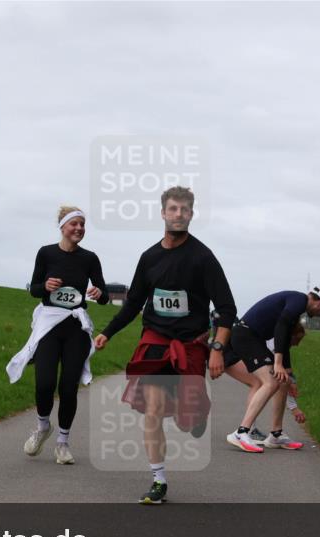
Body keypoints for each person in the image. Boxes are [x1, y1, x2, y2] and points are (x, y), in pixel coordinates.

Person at [94, 186, 236, 504]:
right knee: (154, 410)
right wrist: (108, 332)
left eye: (184, 210)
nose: (178, 214)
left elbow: (227, 309)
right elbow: (132, 303)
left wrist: (217, 349)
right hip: (156, 339)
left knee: (187, 416)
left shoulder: (203, 258)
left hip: (191, 343)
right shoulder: (150, 258)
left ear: (191, 214)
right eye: (173, 209)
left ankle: (195, 415)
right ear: (163, 213)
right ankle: (158, 480)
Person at [7, 207, 108, 465]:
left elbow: (104, 294)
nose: (79, 229)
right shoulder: (46, 253)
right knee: (44, 383)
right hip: (50, 324)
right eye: (74, 224)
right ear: (62, 227)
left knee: (68, 386)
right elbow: (34, 289)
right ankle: (43, 427)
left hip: (75, 327)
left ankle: (63, 443)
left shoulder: (90, 258)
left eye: (82, 225)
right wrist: (45, 286)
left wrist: (99, 293)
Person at [225, 287, 320, 453]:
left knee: (282, 381)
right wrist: (278, 363)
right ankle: (241, 432)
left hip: (254, 338)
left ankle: (275, 435)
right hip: (245, 335)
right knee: (271, 382)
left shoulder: (296, 305)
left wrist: (288, 373)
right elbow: (281, 327)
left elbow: (284, 340)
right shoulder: (299, 301)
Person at [223, 322, 308, 450]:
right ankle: (249, 431)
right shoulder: (274, 344)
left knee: (277, 379)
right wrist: (294, 408)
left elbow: (285, 380)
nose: (297, 344)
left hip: (238, 348)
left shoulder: (282, 345)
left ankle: (275, 434)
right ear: (289, 335)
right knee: (259, 382)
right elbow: (281, 379)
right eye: (297, 339)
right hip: (229, 353)